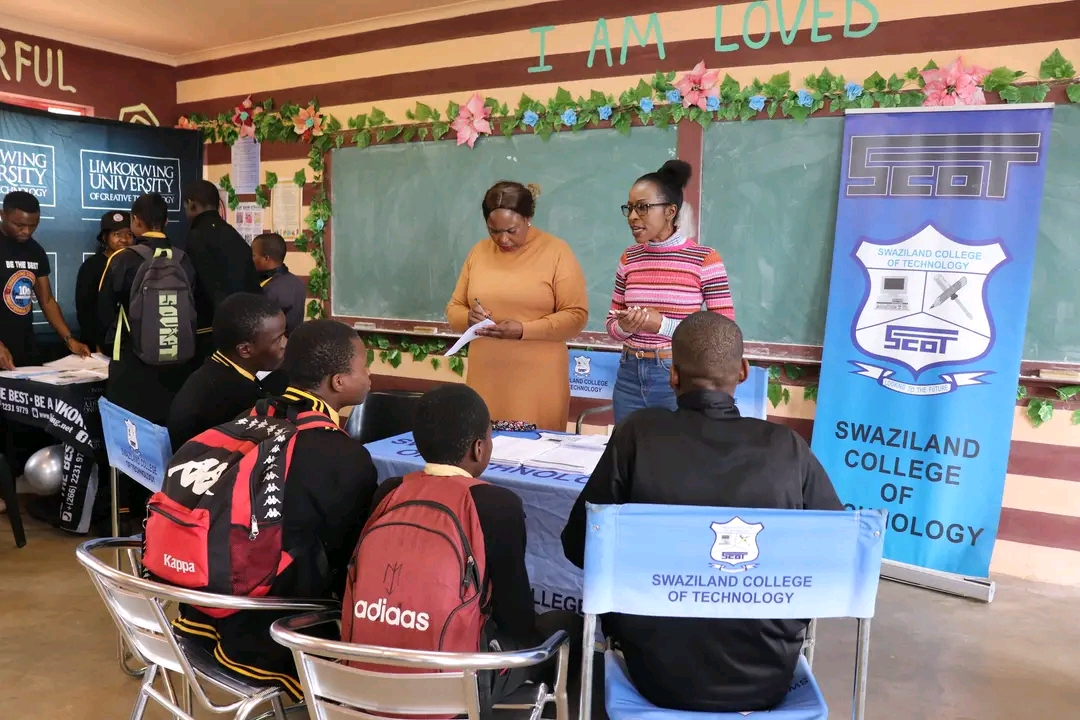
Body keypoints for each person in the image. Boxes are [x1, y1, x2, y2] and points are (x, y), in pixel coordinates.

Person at [562, 312, 842, 713]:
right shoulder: (787, 448)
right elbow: (834, 555)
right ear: (743, 372)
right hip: (765, 677)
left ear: (673, 375)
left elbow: (578, 546)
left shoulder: (637, 437)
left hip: (654, 673)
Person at [174, 319, 378, 699]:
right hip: (269, 635)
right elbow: (348, 564)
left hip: (201, 614)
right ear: (338, 382)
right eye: (363, 365)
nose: (369, 373)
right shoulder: (344, 457)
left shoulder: (254, 416)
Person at [362, 384, 581, 703]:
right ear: (479, 449)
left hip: (366, 668)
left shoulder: (389, 492)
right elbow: (515, 615)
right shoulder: (496, 504)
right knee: (565, 625)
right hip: (456, 682)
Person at [446, 182, 588, 431]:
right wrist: (468, 317)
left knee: (533, 457)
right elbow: (454, 308)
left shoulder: (556, 252)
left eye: (511, 230)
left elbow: (576, 316)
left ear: (528, 218)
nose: (503, 239)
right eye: (494, 231)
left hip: (538, 380)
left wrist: (523, 330)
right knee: (482, 452)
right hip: (486, 377)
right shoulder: (478, 252)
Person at [605, 160, 735, 424]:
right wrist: (628, 326)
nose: (632, 216)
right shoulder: (629, 258)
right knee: (630, 455)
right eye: (629, 208)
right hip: (629, 372)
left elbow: (722, 334)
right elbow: (612, 326)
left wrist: (661, 325)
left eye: (643, 208)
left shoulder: (704, 259)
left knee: (674, 458)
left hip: (676, 377)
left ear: (670, 211)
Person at [167, 292, 288, 452]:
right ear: (244, 350)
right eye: (278, 339)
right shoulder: (240, 402)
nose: (285, 343)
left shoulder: (214, 369)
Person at [0, 191, 91, 369]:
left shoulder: (35, 251)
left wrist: (69, 339)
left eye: (33, 225)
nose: (26, 231)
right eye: (19, 225)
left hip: (24, 346)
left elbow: (47, 301)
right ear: (3, 215)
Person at [183, 179, 262, 360]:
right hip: (244, 328)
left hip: (210, 331)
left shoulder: (195, 237)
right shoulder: (233, 234)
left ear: (191, 204)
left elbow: (197, 285)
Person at [75, 211, 133, 352]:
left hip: (129, 344)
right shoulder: (92, 266)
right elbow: (85, 311)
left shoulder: (136, 264)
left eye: (129, 234)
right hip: (98, 346)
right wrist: (97, 342)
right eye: (117, 234)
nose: (124, 240)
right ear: (105, 237)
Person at [252, 232, 307, 334]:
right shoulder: (297, 282)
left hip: (274, 346)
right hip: (292, 343)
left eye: (253, 255)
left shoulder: (269, 290)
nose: (251, 260)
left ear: (266, 259)